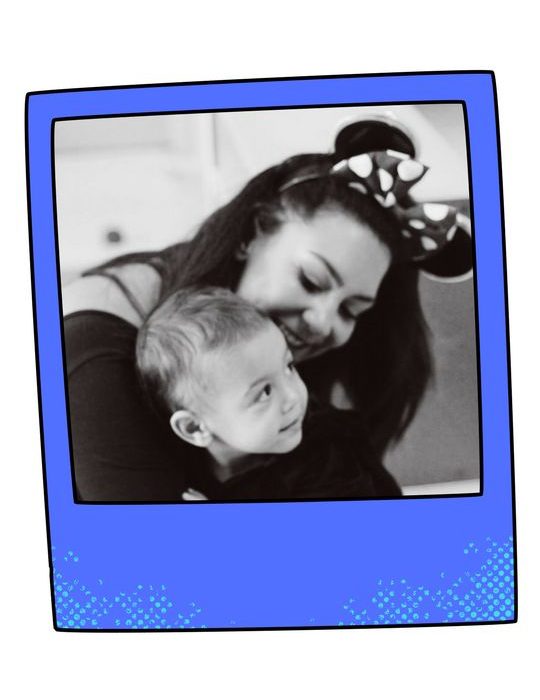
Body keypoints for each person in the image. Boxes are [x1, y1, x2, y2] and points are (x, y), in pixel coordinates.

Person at [62, 116, 472, 501]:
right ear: (251, 235)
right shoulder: (99, 349)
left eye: (351, 310)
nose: (322, 322)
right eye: (311, 280)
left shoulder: (300, 406)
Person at [134, 286, 401, 501]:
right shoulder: (174, 466)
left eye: (289, 366)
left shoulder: (328, 462)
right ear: (194, 428)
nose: (294, 396)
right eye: (264, 392)